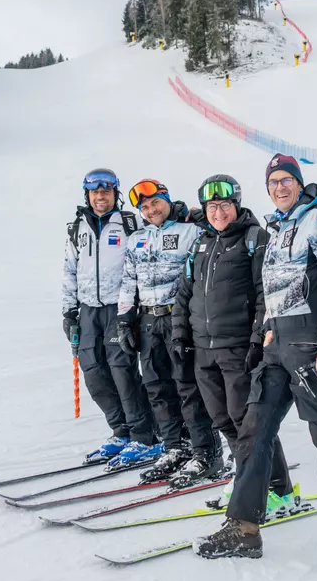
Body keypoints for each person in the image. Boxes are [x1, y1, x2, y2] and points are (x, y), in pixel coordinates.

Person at [193, 154, 317, 575]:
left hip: (311, 347)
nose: (279, 187)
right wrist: (270, 326)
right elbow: (276, 287)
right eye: (273, 182)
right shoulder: (278, 226)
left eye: (286, 180)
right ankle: (244, 527)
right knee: (253, 432)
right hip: (277, 347)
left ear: (299, 182)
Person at [172, 174, 297, 514]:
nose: (217, 212)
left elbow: (265, 294)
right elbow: (185, 293)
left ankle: (279, 489)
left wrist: (258, 339)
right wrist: (179, 336)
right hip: (203, 349)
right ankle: (246, 475)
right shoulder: (201, 244)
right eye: (211, 206)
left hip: (238, 348)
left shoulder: (254, 239)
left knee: (250, 423)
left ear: (236, 205)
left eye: (224, 205)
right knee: (223, 420)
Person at [117, 179, 223, 485]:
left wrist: (204, 221)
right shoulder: (136, 239)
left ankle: (207, 452)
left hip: (180, 319)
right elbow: (128, 281)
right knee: (157, 388)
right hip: (148, 321)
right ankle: (175, 447)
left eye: (155, 203)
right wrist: (124, 320)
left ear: (166, 199)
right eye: (145, 207)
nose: (151, 211)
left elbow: (215, 250)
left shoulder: (189, 231)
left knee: (187, 386)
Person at [62, 168, 158, 468]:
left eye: (106, 191)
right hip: (88, 309)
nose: (100, 196)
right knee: (93, 372)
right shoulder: (77, 228)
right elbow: (69, 270)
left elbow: (156, 235)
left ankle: (144, 437)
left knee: (123, 372)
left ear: (115, 194)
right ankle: (121, 432)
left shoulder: (130, 224)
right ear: (88, 195)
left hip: (121, 308)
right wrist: (68, 311)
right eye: (94, 192)